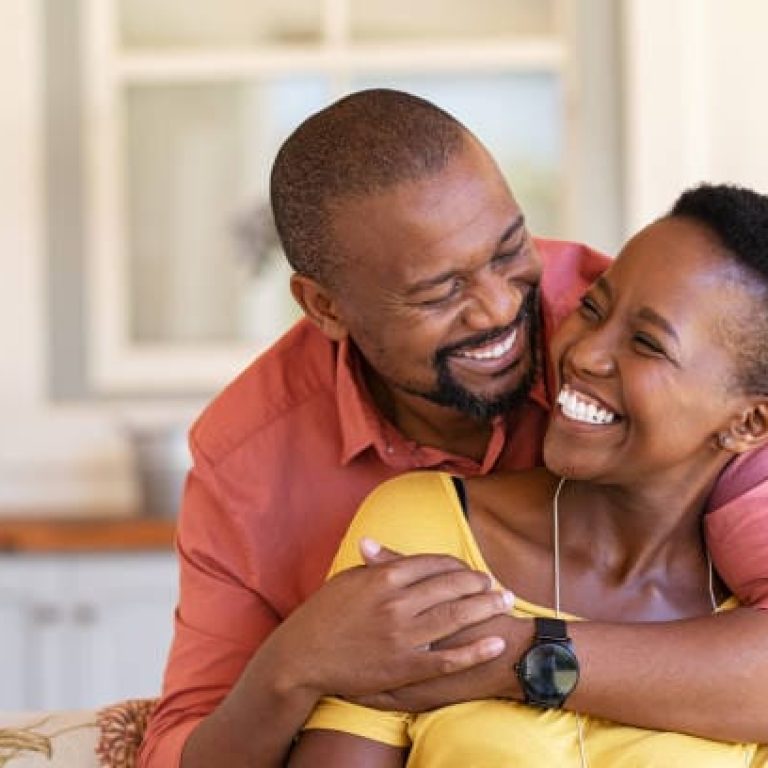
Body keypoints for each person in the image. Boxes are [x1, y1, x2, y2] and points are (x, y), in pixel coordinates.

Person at [138, 90, 768, 768]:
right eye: (440, 291)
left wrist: (514, 655)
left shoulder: (632, 341)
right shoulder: (250, 463)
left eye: (508, 250)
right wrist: (296, 664)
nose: (500, 307)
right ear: (325, 306)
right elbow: (185, 747)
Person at [288, 183, 768, 767]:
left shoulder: (743, 615)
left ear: (749, 421)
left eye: (646, 343)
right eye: (593, 307)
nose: (586, 353)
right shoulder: (428, 530)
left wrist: (510, 658)